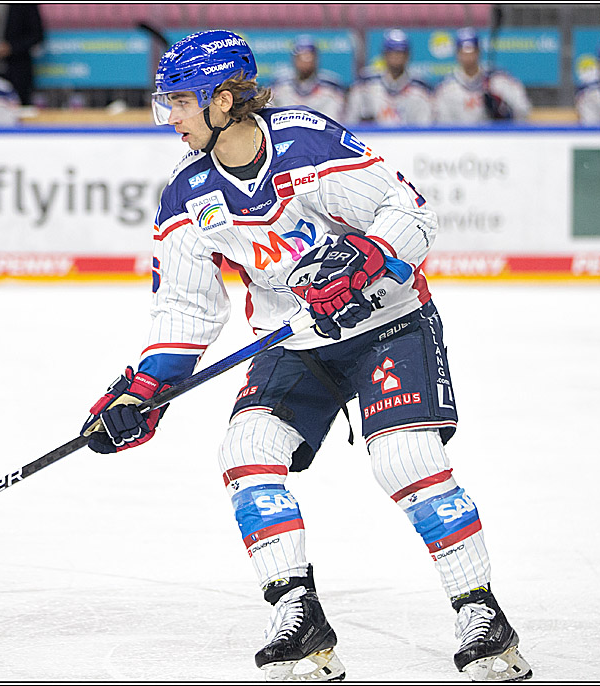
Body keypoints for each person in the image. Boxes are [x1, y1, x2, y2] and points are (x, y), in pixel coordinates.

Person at [80, 29, 533, 682]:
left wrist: (367, 256)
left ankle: (480, 613)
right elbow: (185, 311)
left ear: (225, 99)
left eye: (179, 101)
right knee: (245, 451)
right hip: (297, 342)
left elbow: (409, 210)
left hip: (389, 323)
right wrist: (145, 389)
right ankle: (298, 614)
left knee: (405, 456)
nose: (169, 118)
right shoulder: (186, 194)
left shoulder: (307, 141)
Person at [433, 27, 531, 124]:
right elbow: (442, 125)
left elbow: (523, 111)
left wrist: (503, 111)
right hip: (458, 138)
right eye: (463, 52)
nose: (468, 56)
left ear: (479, 51)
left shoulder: (499, 80)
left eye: (472, 51)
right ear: (457, 54)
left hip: (495, 137)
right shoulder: (445, 88)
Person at [343, 28, 433, 126]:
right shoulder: (365, 86)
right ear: (384, 55)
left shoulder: (419, 89)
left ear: (407, 55)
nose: (396, 57)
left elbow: (425, 128)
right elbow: (350, 123)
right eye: (392, 52)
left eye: (400, 52)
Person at [269, 35, 346, 121]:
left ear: (316, 58)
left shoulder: (331, 87)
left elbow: (337, 121)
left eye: (308, 56)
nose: (305, 61)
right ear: (294, 59)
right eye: (301, 57)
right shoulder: (279, 85)